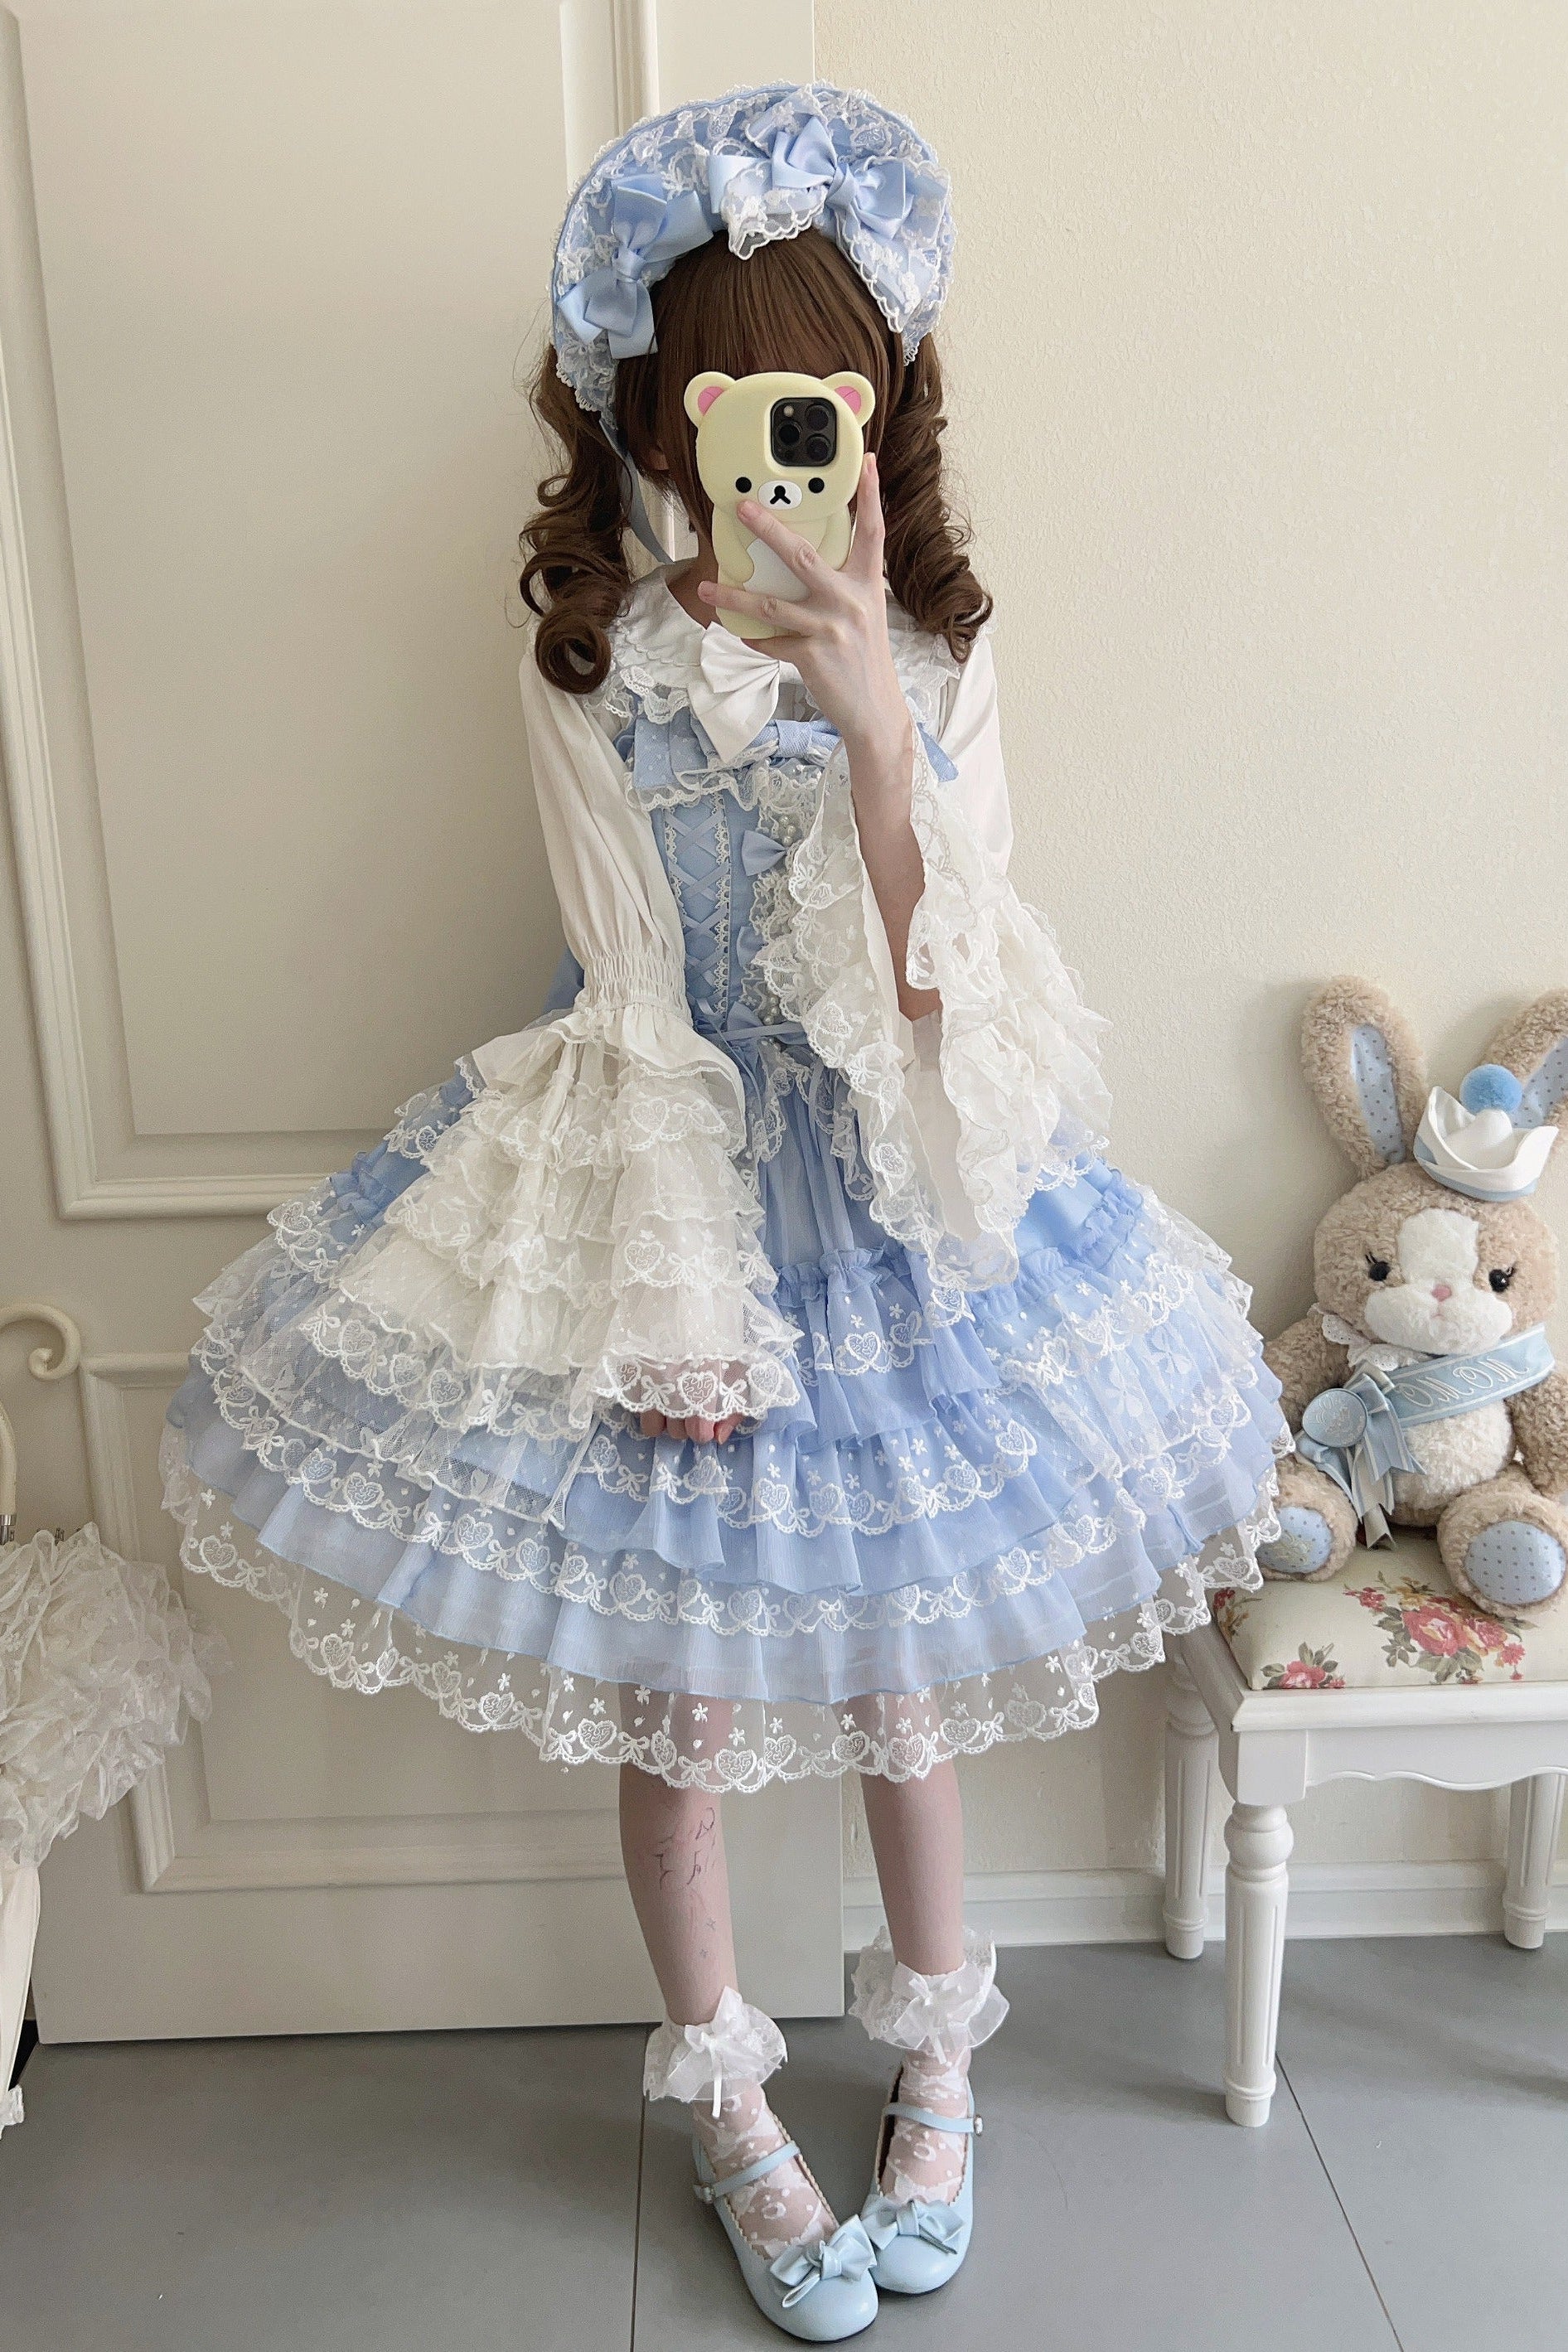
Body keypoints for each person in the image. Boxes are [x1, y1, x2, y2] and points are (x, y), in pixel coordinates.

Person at [163, 83, 1286, 2340]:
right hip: (664, 1195)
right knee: (677, 1712)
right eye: (727, 399)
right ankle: (735, 2104)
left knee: (899, 1696)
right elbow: (630, 999)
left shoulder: (942, 650)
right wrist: (678, 1310)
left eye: (819, 400)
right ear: (657, 408)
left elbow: (948, 996)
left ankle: (940, 2080)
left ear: (876, 405)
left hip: (896, 1197)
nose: (775, 448)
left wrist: (875, 726)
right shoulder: (588, 653)